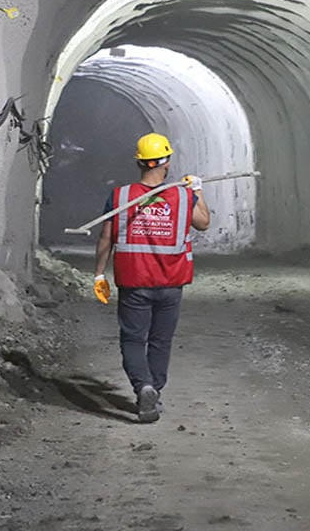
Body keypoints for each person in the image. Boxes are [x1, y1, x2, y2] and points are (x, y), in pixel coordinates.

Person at [93, 132, 210, 423]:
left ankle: (143, 386)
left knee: (133, 339)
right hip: (171, 282)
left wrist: (98, 273)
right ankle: (154, 390)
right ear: (166, 162)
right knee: (161, 340)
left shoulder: (120, 196)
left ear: (140, 163)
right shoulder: (183, 196)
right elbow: (204, 223)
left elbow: (106, 238)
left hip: (134, 282)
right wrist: (199, 191)